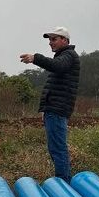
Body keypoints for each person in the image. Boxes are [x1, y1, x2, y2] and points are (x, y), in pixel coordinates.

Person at [20, 26, 80, 182]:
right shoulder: (63, 56)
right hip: (53, 109)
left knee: (58, 149)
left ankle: (63, 183)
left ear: (65, 40)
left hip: (57, 109)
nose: (50, 43)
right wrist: (45, 110)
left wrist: (35, 58)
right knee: (55, 148)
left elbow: (57, 66)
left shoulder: (68, 56)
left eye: (54, 39)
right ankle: (63, 182)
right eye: (49, 40)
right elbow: (53, 85)